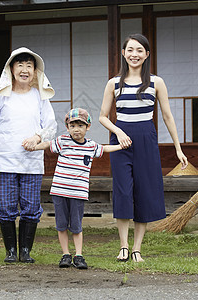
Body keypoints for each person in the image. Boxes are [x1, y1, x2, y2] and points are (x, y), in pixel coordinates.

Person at [99, 33, 188, 263]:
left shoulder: (156, 82)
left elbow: (167, 116)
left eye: (139, 50)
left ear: (147, 54)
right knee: (123, 191)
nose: (134, 54)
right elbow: (102, 117)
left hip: (146, 139)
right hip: (120, 142)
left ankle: (137, 248)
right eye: (130, 50)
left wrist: (178, 148)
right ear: (123, 53)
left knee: (143, 192)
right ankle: (123, 246)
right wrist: (118, 132)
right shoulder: (113, 83)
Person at [0, 47, 57, 263]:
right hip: (4, 160)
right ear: (11, 69)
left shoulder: (39, 97)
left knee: (31, 206)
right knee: (5, 206)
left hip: (32, 160)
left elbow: (50, 125)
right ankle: (10, 251)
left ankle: (25, 250)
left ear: (35, 71)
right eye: (20, 65)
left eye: (29, 66)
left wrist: (36, 137)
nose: (24, 70)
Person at [31, 108, 122, 269]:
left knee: (76, 225)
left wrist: (121, 146)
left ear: (87, 127)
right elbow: (47, 144)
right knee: (61, 224)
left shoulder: (90, 146)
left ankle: (79, 255)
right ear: (67, 127)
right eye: (72, 126)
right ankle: (65, 254)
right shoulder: (63, 141)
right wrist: (34, 146)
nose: (76, 129)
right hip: (59, 191)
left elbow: (105, 148)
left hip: (78, 193)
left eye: (80, 125)